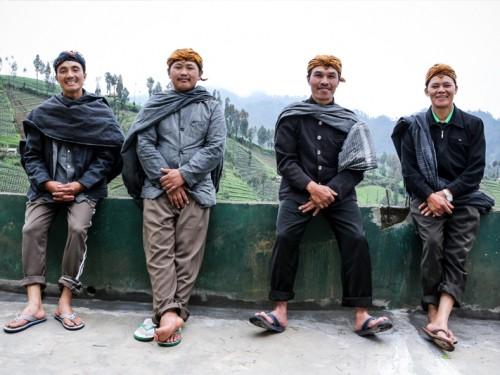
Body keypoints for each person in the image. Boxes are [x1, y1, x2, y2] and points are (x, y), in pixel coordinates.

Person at [249, 54, 393, 336]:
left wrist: (330, 191)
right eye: (319, 75)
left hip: (340, 194)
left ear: (339, 81)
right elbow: (285, 161)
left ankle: (362, 315)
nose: (324, 81)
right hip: (298, 191)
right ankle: (279, 311)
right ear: (308, 79)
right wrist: (312, 188)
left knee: (356, 239)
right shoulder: (293, 116)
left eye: (331, 76)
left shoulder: (351, 122)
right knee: (285, 236)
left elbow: (357, 167)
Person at [3, 50, 124, 333]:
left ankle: (65, 301)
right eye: (63, 71)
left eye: (75, 69)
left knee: (78, 227)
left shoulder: (99, 112)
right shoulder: (43, 113)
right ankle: (34, 304)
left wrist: (80, 185)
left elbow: (108, 157)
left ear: (84, 74)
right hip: (46, 188)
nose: (70, 75)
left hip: (84, 189)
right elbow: (31, 155)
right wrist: (47, 183)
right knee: (31, 229)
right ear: (56, 76)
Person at [122, 48, 226, 347]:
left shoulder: (211, 106)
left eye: (190, 67)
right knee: (159, 253)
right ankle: (170, 314)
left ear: (200, 73)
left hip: (197, 191)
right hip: (157, 190)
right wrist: (169, 181)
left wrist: (184, 176)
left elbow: (215, 147)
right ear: (169, 73)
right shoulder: (155, 104)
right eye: (178, 67)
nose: (184, 72)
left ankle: (169, 313)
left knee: (187, 254)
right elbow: (144, 143)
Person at [391, 64, 494, 351]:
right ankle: (433, 311)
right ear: (427, 91)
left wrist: (446, 194)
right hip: (424, 199)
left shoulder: (473, 125)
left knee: (457, 251)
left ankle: (442, 319)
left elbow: (475, 171)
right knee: (433, 243)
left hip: (462, 198)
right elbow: (410, 173)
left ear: (455, 89)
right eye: (435, 85)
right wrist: (430, 196)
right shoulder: (414, 127)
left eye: (446, 84)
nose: (441, 89)